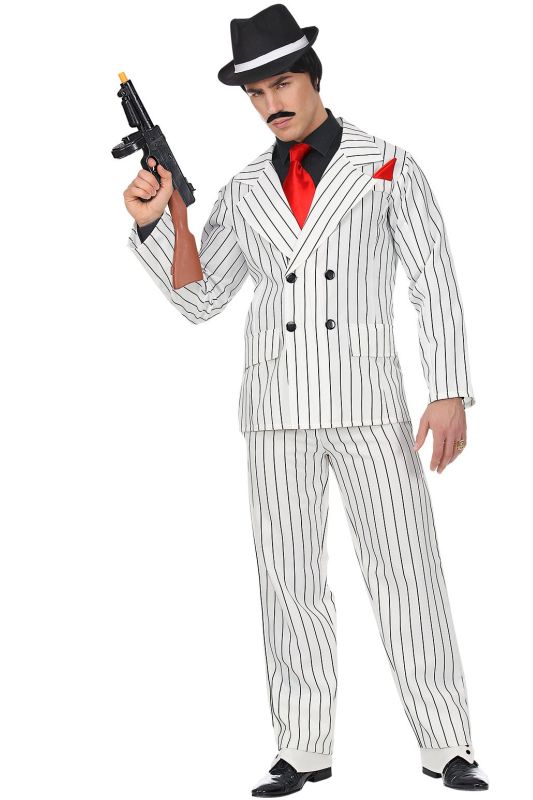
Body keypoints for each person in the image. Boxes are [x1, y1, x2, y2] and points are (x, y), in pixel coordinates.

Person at [122, 3, 489, 795]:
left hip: (368, 402)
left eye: (282, 84)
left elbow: (434, 280)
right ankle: (302, 747)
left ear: (313, 79)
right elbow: (202, 297)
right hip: (275, 409)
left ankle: (447, 743)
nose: (271, 104)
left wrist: (449, 389)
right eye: (256, 94)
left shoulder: (387, 165)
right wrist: (159, 223)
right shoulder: (244, 189)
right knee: (288, 583)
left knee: (408, 573)